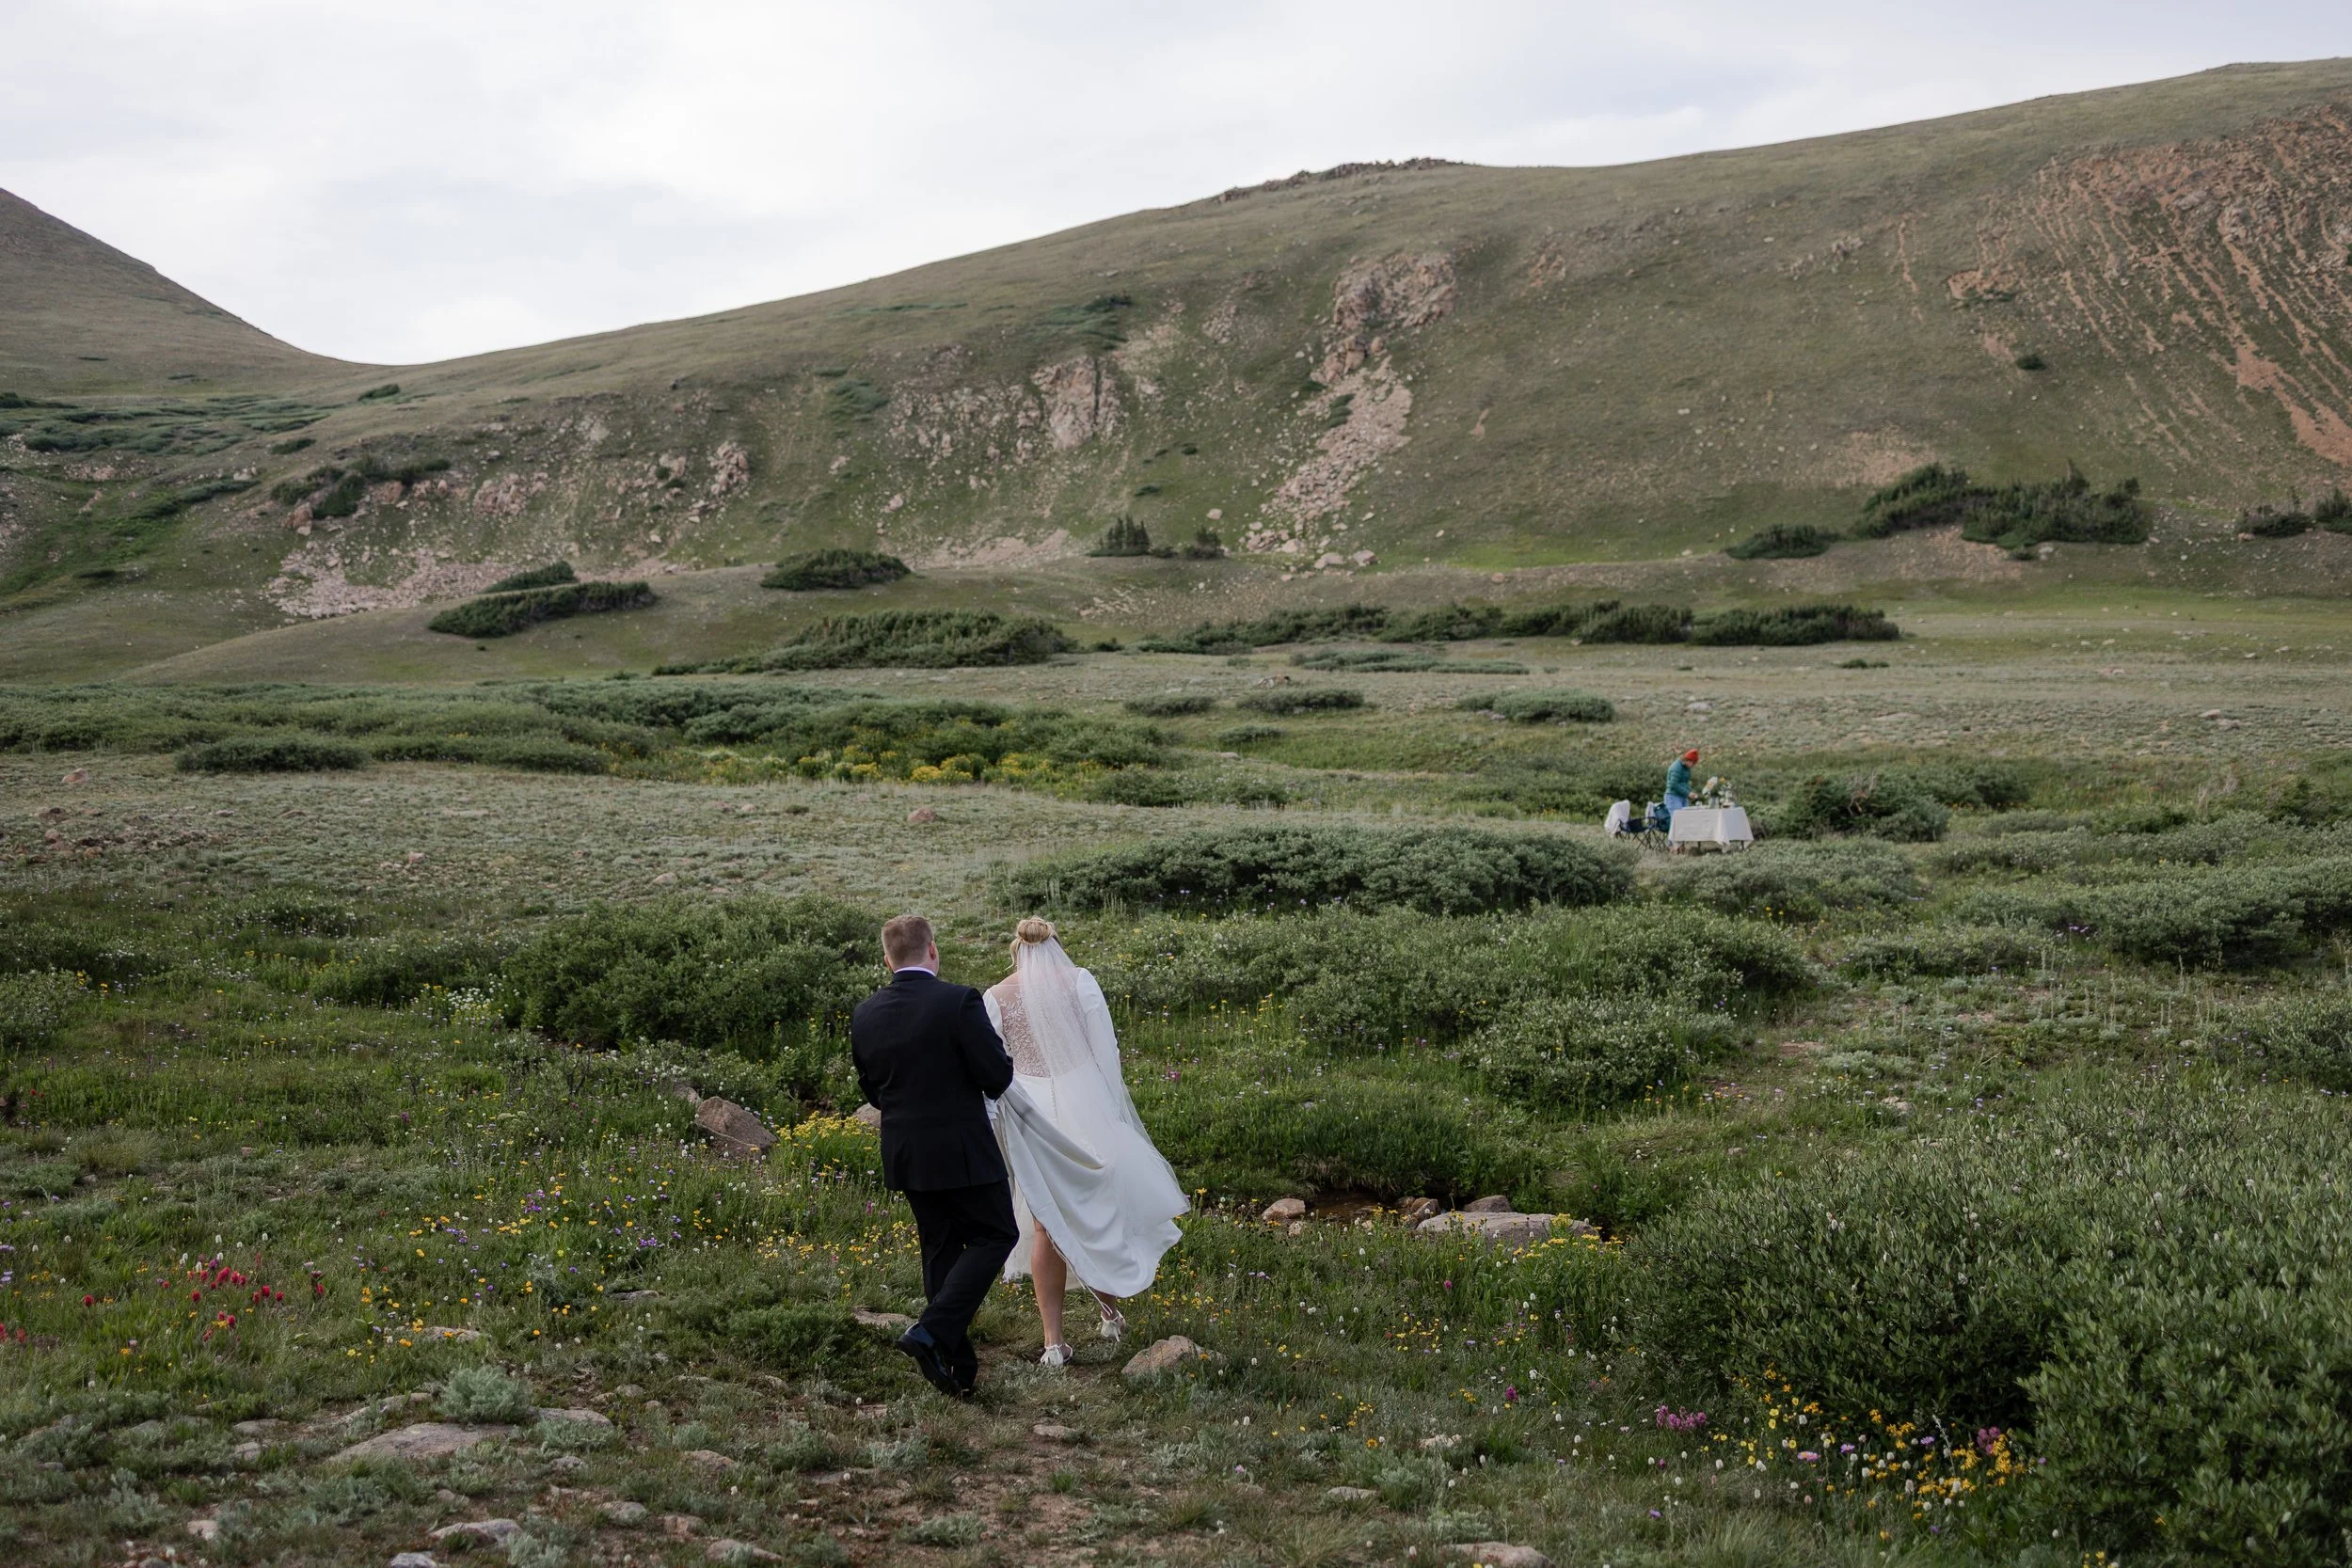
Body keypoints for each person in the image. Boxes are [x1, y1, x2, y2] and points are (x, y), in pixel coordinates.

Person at [985, 918, 1187, 1368]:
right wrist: (1111, 1115)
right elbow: (1106, 1054)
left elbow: (994, 1071)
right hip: (1084, 1108)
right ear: (1056, 946)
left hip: (1032, 1118)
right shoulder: (1080, 982)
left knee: (1045, 1224)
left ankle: (1053, 1343)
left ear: (1016, 951)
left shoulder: (994, 999)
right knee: (1098, 1210)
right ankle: (1110, 1314)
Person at [850, 913, 1016, 1400]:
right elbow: (996, 1076)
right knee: (996, 1234)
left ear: (887, 959)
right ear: (933, 950)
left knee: (940, 1248)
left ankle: (956, 1367)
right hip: (962, 1148)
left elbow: (872, 1088)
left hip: (905, 1151)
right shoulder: (958, 1000)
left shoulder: (865, 1014)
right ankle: (930, 1331)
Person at [1664, 749, 1699, 814]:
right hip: (1673, 797)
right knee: (1677, 819)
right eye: (1693, 763)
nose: (1693, 765)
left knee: (1685, 818)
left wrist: (1690, 791)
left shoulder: (1686, 768)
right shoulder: (1676, 768)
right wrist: (1688, 793)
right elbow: (1674, 784)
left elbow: (1684, 783)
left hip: (1683, 796)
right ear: (1689, 760)